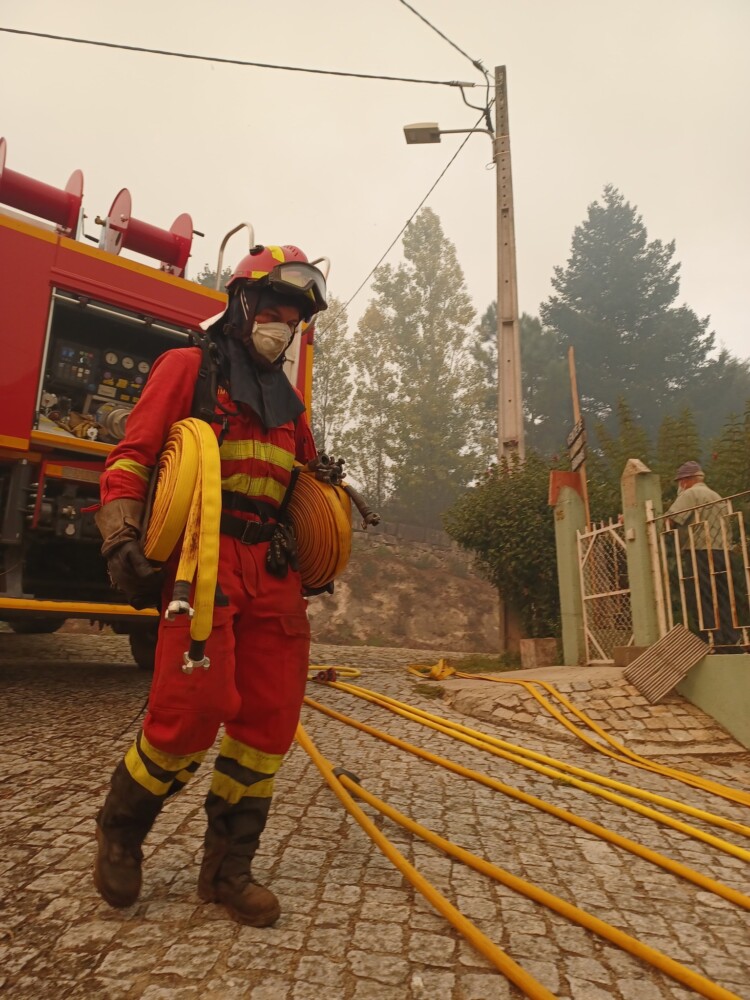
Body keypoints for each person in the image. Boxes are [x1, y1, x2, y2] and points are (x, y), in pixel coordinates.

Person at [92, 244, 328, 926]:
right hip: (203, 557)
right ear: (243, 303)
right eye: (275, 310)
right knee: (191, 711)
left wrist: (324, 532)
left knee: (268, 723)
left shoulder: (292, 408)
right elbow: (133, 457)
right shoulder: (187, 369)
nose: (284, 327)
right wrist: (120, 536)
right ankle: (120, 828)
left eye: (296, 318)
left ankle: (228, 871)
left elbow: (305, 491)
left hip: (272, 572)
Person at [665, 461, 743, 651]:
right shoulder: (716, 496)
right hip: (722, 551)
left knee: (703, 596)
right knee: (724, 595)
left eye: (680, 482)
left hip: (699, 550)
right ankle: (731, 639)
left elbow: (670, 521)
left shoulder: (690, 494)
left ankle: (711, 639)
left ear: (685, 481)